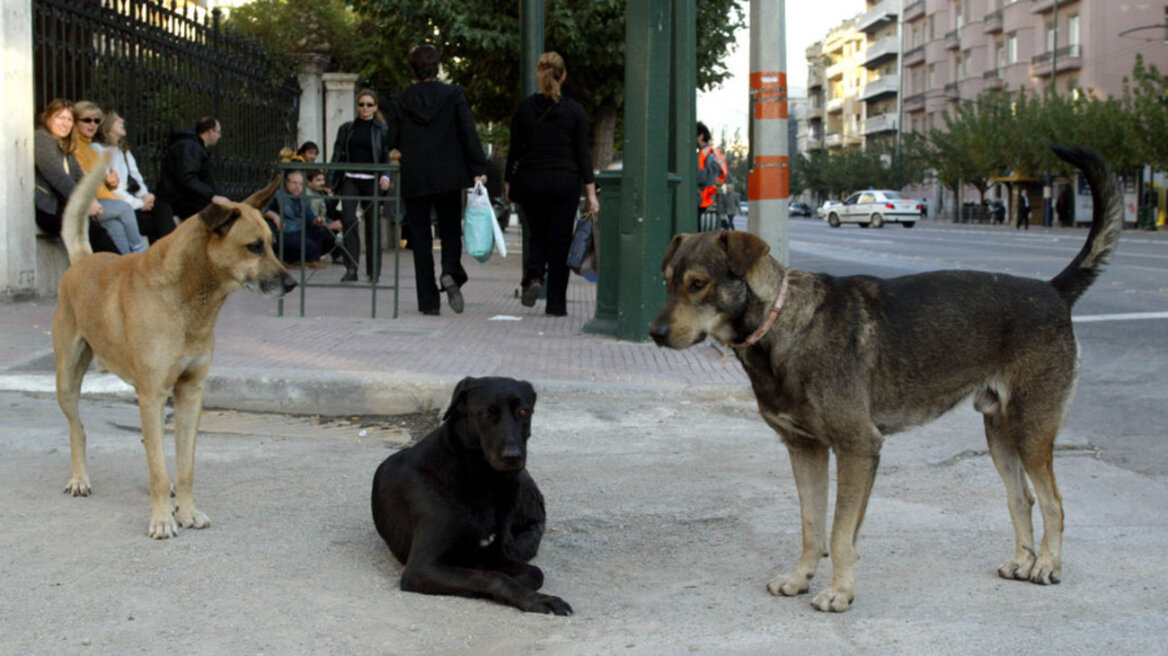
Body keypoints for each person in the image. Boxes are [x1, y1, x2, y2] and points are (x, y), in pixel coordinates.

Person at [386, 45, 489, 315]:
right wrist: (478, 165)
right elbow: (468, 129)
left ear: (413, 70)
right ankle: (451, 271)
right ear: (437, 67)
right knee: (450, 230)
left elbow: (391, 140)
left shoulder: (401, 99)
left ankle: (429, 303)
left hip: (415, 176)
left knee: (420, 239)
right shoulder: (453, 94)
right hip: (449, 175)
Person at [504, 52, 599, 317]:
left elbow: (514, 150)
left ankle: (534, 276)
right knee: (560, 241)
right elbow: (582, 155)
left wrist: (508, 183)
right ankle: (557, 305)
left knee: (536, 235)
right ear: (564, 75)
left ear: (538, 74)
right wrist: (591, 193)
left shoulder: (524, 109)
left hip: (531, 181)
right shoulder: (575, 112)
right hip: (564, 183)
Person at [33, 98, 120, 254]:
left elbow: (80, 177)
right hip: (49, 210)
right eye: (60, 118)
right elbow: (58, 177)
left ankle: (118, 268)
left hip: (67, 207)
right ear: (48, 118)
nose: (65, 123)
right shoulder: (41, 138)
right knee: (96, 236)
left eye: (69, 120)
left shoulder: (65, 143)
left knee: (110, 227)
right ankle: (121, 274)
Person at [329, 89, 392, 283]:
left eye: (369, 105)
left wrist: (386, 176)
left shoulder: (382, 130)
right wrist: (331, 182)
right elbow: (337, 155)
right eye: (361, 104)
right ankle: (351, 269)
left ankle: (374, 272)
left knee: (372, 225)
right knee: (348, 221)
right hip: (350, 179)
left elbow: (387, 156)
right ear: (357, 106)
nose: (365, 108)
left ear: (375, 107)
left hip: (371, 181)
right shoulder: (347, 128)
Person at [70, 101, 147, 254]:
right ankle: (141, 252)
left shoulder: (89, 149)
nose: (93, 124)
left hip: (100, 203)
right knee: (124, 208)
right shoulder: (75, 147)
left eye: (96, 120)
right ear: (75, 121)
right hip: (86, 205)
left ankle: (125, 265)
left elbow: (100, 183)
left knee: (115, 226)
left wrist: (110, 182)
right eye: (87, 120)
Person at [154, 116, 228, 239]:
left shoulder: (192, 146)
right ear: (210, 131)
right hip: (173, 202)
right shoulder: (190, 147)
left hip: (179, 201)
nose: (219, 136)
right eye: (219, 132)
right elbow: (187, 178)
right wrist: (212, 196)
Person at [92, 109, 159, 244]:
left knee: (162, 208)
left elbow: (136, 176)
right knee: (153, 223)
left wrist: (145, 197)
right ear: (107, 125)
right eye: (117, 119)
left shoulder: (122, 150)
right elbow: (113, 190)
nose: (122, 120)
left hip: (133, 203)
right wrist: (140, 203)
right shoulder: (97, 149)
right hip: (120, 205)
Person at [263, 170, 335, 268]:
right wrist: (275, 216)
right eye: (294, 183)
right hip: (286, 231)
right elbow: (265, 209)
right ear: (287, 183)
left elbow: (310, 216)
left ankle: (311, 261)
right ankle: (292, 261)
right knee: (309, 246)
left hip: (301, 229)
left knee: (325, 234)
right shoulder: (279, 195)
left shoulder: (303, 197)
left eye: (300, 184)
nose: (297, 186)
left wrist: (317, 220)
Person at [696, 121, 727, 222]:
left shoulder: (705, 154)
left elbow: (702, 178)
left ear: (700, 136)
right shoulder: (715, 153)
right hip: (710, 200)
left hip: (702, 199)